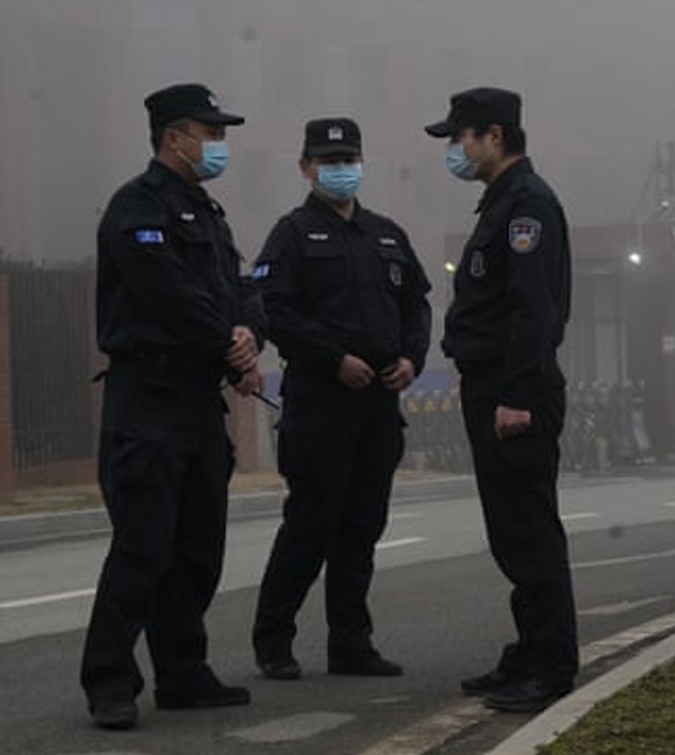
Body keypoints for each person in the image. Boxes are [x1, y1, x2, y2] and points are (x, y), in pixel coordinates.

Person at [82, 83, 264, 730]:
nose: (216, 144)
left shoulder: (206, 211)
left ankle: (184, 671)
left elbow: (240, 288)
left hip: (196, 399)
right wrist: (230, 343)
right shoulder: (137, 208)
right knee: (143, 546)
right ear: (172, 137)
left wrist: (249, 334)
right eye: (208, 132)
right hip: (148, 398)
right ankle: (109, 678)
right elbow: (169, 294)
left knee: (197, 547)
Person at [251, 117, 432, 681]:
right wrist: (333, 359)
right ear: (306, 168)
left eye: (349, 159)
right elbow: (273, 310)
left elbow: (417, 305)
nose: (341, 169)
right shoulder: (293, 234)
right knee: (310, 524)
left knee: (361, 528)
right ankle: (274, 641)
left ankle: (351, 643)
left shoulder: (386, 233)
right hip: (321, 403)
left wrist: (411, 359)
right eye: (328, 162)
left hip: (378, 403)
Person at [424, 87, 578, 712]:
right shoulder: (501, 203)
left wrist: (514, 396)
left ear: (493, 135)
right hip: (493, 384)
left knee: (528, 532)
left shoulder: (527, 208)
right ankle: (530, 650)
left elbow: (534, 310)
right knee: (511, 531)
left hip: (517, 391)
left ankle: (550, 664)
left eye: (460, 138)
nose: (455, 151)